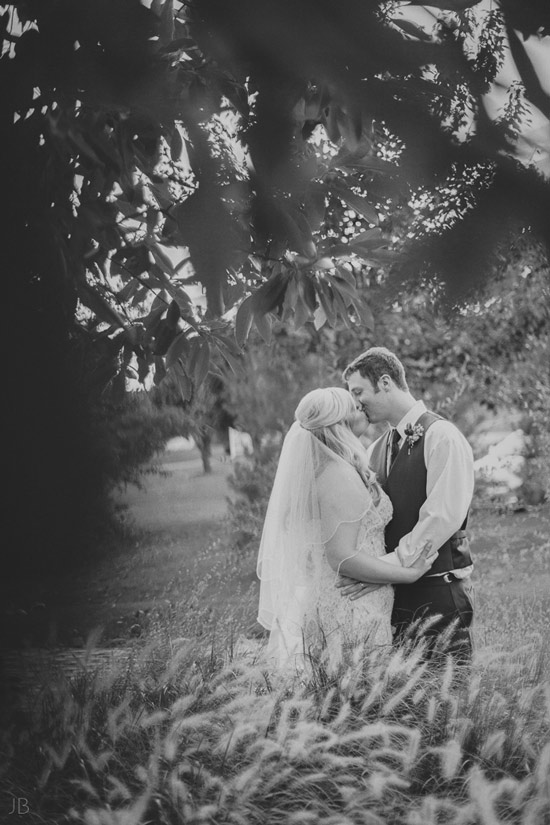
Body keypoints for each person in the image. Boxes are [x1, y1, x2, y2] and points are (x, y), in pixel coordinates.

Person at [256, 387, 438, 672]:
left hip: (354, 598)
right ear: (338, 424)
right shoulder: (337, 474)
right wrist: (408, 574)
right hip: (351, 607)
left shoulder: (334, 467)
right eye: (354, 407)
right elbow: (341, 557)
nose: (362, 408)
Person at [340, 347, 475, 661]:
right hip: (391, 597)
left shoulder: (442, 437)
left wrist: (381, 569)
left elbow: (442, 517)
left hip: (437, 593)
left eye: (358, 391)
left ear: (385, 382)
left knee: (444, 698)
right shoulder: (375, 449)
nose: (356, 403)